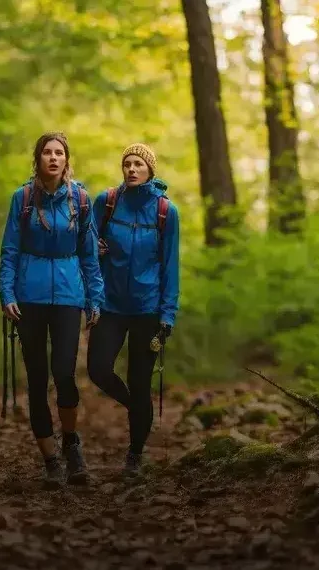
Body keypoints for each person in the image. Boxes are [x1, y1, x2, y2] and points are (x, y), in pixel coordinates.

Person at [0, 131, 104, 487]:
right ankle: (50, 461)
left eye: (59, 153)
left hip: (69, 296)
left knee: (64, 373)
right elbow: (10, 249)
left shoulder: (81, 200)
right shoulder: (23, 198)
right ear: (38, 159)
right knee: (37, 379)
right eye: (47, 152)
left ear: (66, 160)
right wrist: (6, 292)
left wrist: (94, 298)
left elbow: (89, 255)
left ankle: (72, 443)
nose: (53, 158)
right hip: (28, 296)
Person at [87, 142, 180, 478]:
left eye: (138, 163)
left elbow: (171, 266)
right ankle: (136, 409)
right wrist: (93, 251)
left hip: (147, 309)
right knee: (98, 369)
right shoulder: (107, 202)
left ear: (150, 170)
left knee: (140, 383)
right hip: (110, 305)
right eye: (127, 163)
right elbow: (85, 246)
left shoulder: (166, 211)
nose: (131, 168)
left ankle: (135, 457)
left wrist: (168, 315)